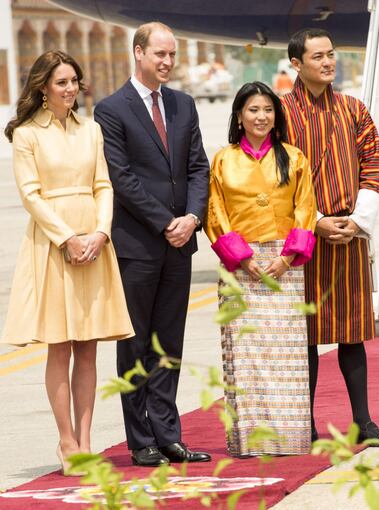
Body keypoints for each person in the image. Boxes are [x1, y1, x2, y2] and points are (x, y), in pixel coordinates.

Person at [1, 51, 134, 475]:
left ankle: (87, 440)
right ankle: (66, 440)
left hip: (93, 241)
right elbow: (30, 193)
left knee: (89, 348)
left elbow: (103, 184)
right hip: (54, 242)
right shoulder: (27, 134)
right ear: (43, 87)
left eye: (74, 81)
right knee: (60, 347)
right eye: (61, 82)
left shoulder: (90, 129)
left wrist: (99, 232)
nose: (70, 88)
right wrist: (68, 238)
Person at [94, 22, 211, 467]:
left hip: (180, 244)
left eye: (172, 55)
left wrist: (193, 218)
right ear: (138, 53)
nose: (166, 62)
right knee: (136, 344)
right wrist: (167, 223)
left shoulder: (184, 105)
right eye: (159, 54)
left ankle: (169, 436)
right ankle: (139, 438)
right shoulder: (111, 109)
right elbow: (121, 178)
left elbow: (199, 167)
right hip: (138, 246)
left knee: (169, 343)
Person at [281, 28, 379, 445]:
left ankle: (363, 423)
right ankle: (305, 427)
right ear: (297, 63)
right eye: (318, 57)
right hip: (302, 240)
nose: (328, 62)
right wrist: (314, 221)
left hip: (349, 233)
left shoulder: (353, 109)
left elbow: (373, 165)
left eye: (331, 54)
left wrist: (356, 220)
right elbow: (273, 179)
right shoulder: (279, 112)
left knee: (352, 332)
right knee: (304, 338)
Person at [204, 81, 317, 456]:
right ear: (239, 115)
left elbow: (305, 208)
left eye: (268, 110)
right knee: (247, 351)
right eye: (253, 109)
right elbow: (215, 212)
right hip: (241, 266)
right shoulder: (223, 159)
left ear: (276, 115)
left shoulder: (294, 157)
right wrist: (243, 258)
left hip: (285, 263)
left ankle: (289, 437)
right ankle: (252, 440)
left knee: (287, 353)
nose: (261, 117)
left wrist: (286, 258)